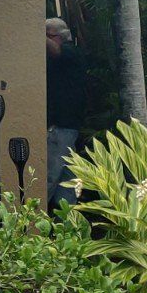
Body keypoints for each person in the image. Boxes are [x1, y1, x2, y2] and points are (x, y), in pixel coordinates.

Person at [45, 17, 86, 206]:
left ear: (58, 37)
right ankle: (67, 225)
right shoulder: (68, 56)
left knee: (49, 177)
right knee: (67, 182)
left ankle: (29, 225)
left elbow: (56, 51)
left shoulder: (70, 52)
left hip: (61, 127)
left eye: (47, 36)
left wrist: (34, 32)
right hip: (69, 126)